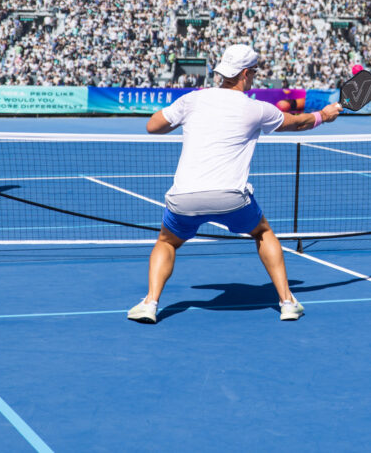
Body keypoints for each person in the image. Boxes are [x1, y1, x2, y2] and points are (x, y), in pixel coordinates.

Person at [128, 43, 343, 324]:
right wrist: (323, 116)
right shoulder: (257, 109)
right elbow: (297, 123)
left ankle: (150, 303)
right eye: (253, 72)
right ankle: (287, 302)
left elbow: (153, 126)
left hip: (184, 198)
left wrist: (184, 116)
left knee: (167, 242)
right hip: (231, 198)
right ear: (244, 73)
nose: (254, 76)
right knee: (262, 233)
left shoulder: (192, 100)